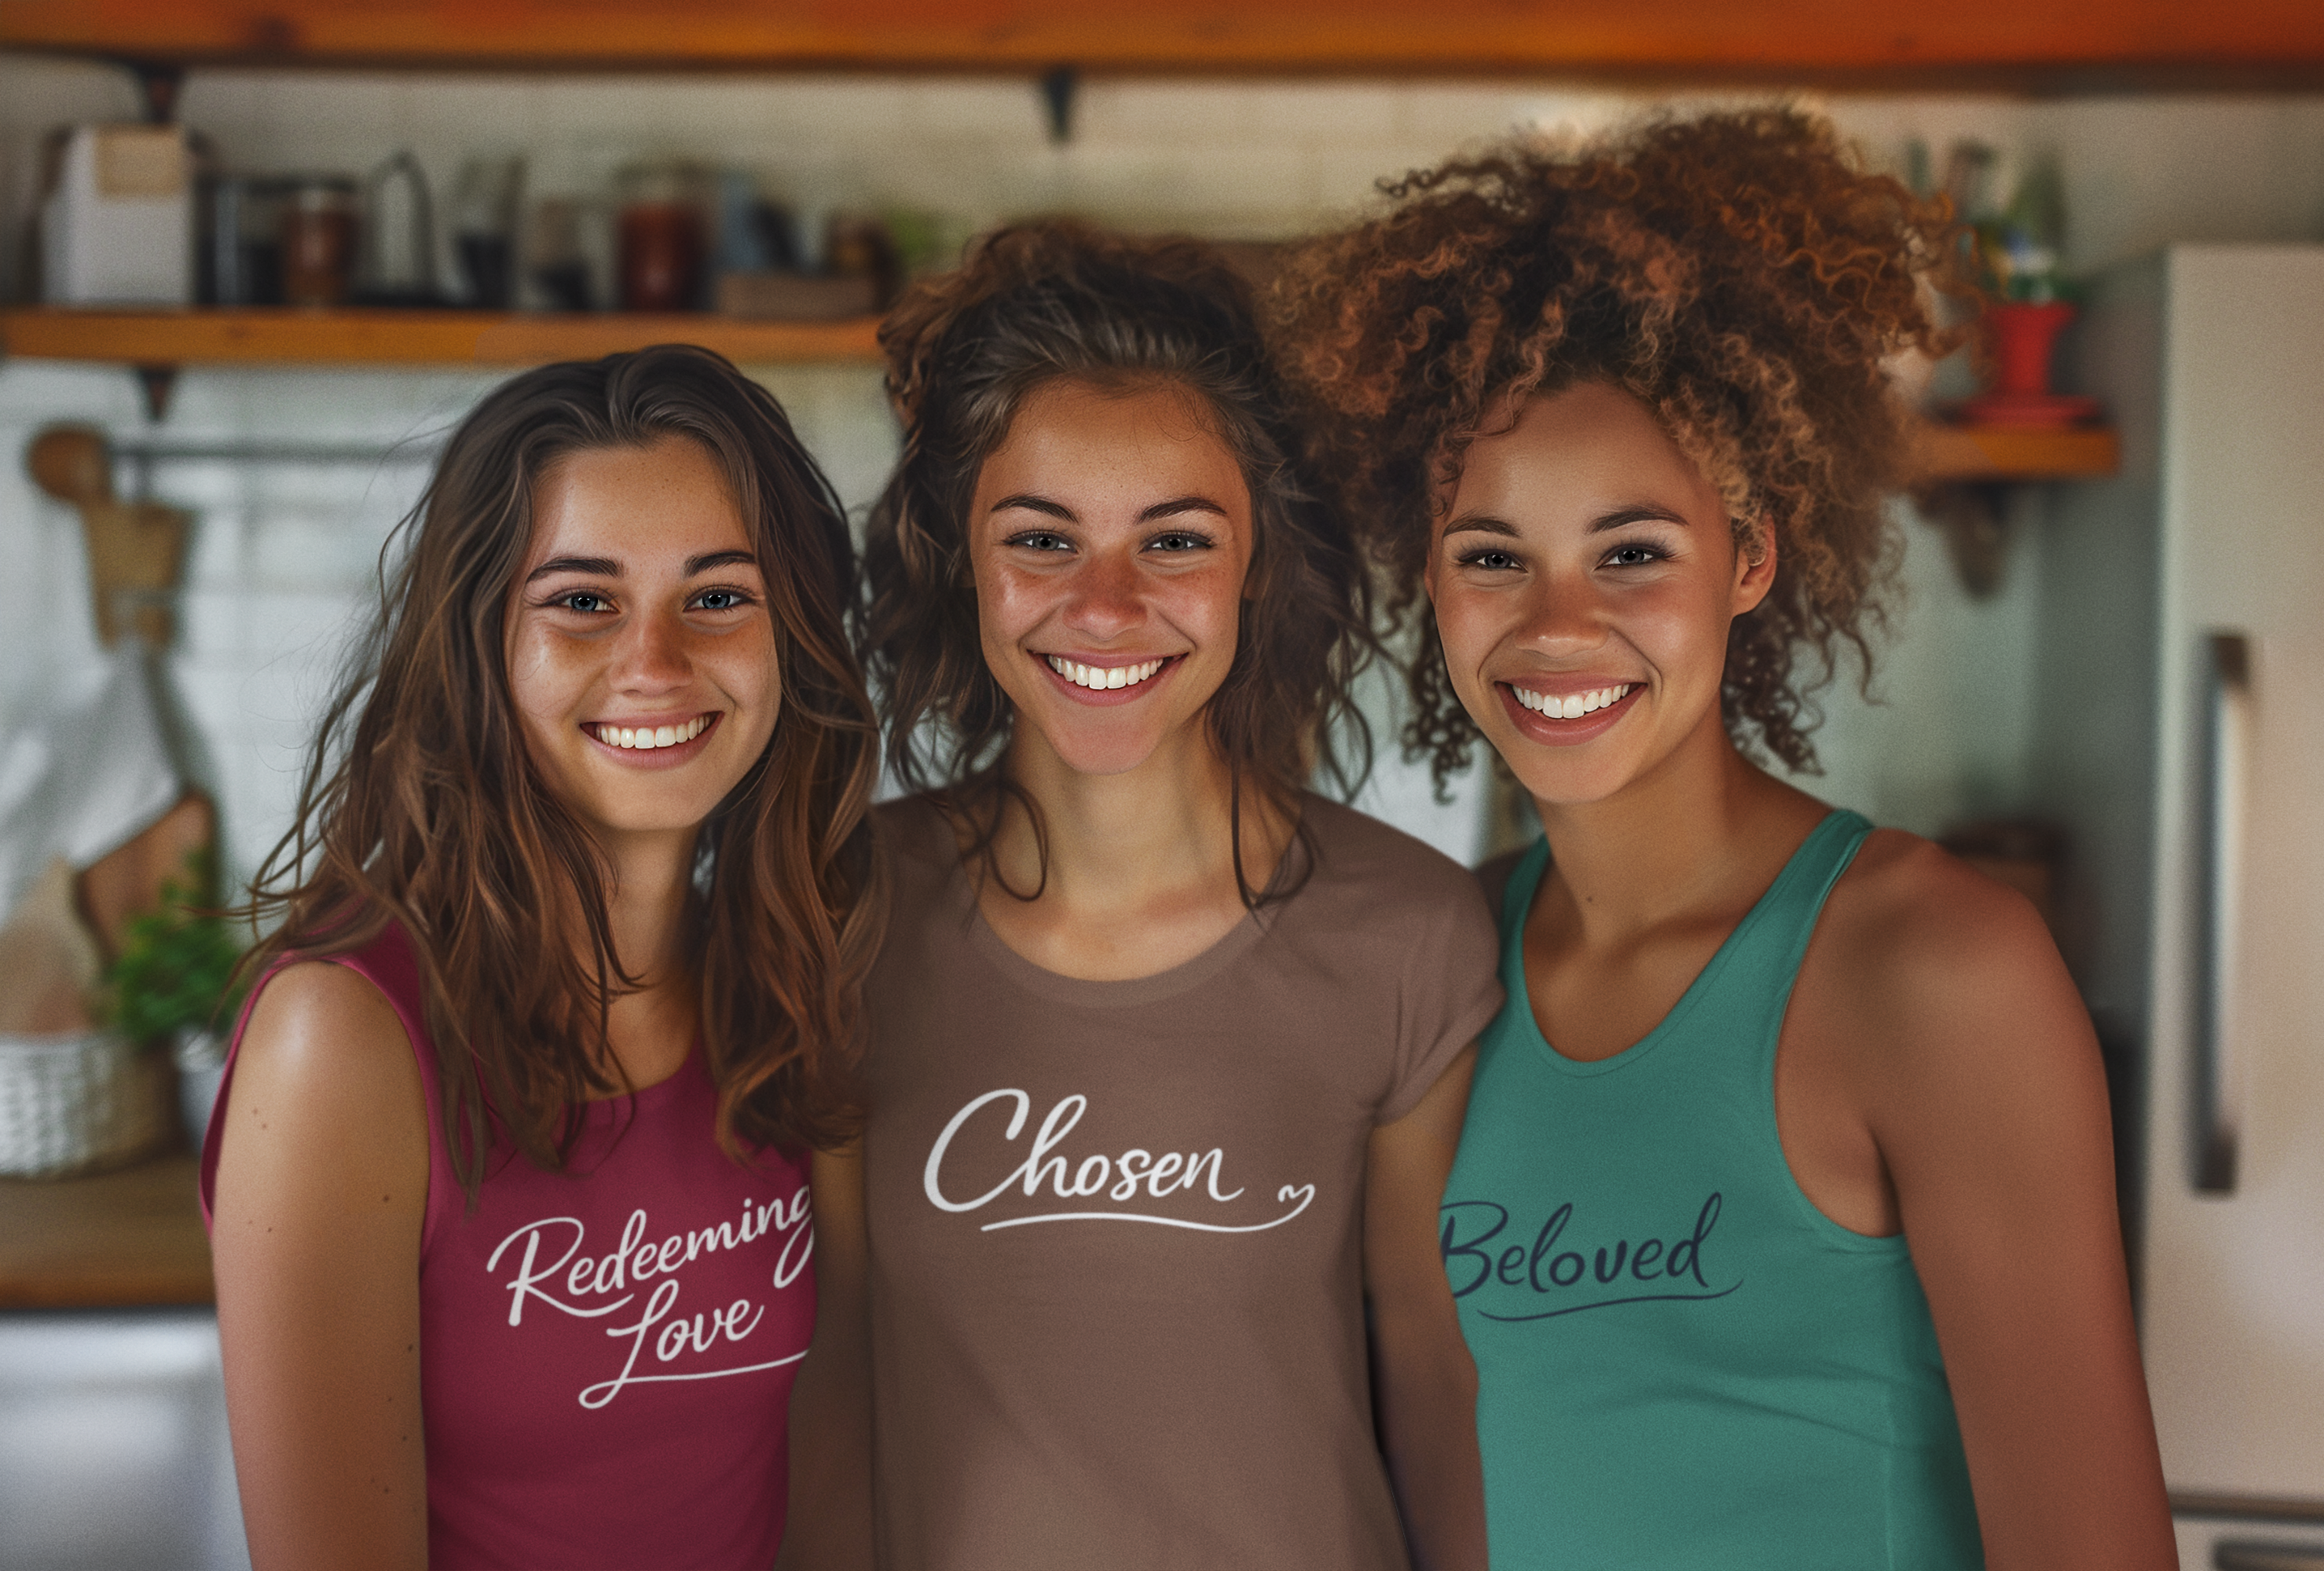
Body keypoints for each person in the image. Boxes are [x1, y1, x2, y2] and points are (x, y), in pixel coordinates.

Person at [1274, 109, 2177, 1571]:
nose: (1557, 625)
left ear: (1749, 556)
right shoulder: (1444, 965)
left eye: (1633, 552)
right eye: (1490, 557)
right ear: (1426, 584)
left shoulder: (1934, 969)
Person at [781, 222, 1503, 1571]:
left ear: (1257, 566)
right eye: (1042, 538)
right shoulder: (841, 907)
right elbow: (838, 1351)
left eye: (1172, 541)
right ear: (961, 563)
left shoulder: (1405, 934)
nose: (1104, 605)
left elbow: (1432, 1372)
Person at [203, 345, 883, 1570]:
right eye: (582, 600)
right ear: (478, 648)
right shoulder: (344, 1040)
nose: (656, 663)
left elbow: (824, 1461)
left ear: (797, 640)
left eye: (718, 596)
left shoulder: (784, 984)